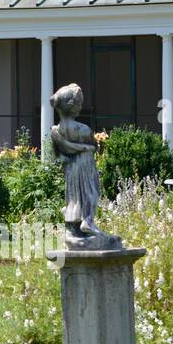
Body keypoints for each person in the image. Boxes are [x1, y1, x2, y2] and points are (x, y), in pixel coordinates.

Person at [50, 83, 120, 249]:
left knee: (74, 197)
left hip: (70, 169)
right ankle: (87, 222)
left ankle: (73, 230)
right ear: (72, 107)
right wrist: (85, 148)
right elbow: (94, 146)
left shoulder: (56, 131)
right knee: (90, 194)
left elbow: (57, 154)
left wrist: (68, 149)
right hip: (85, 165)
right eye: (80, 103)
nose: (81, 107)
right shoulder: (83, 129)